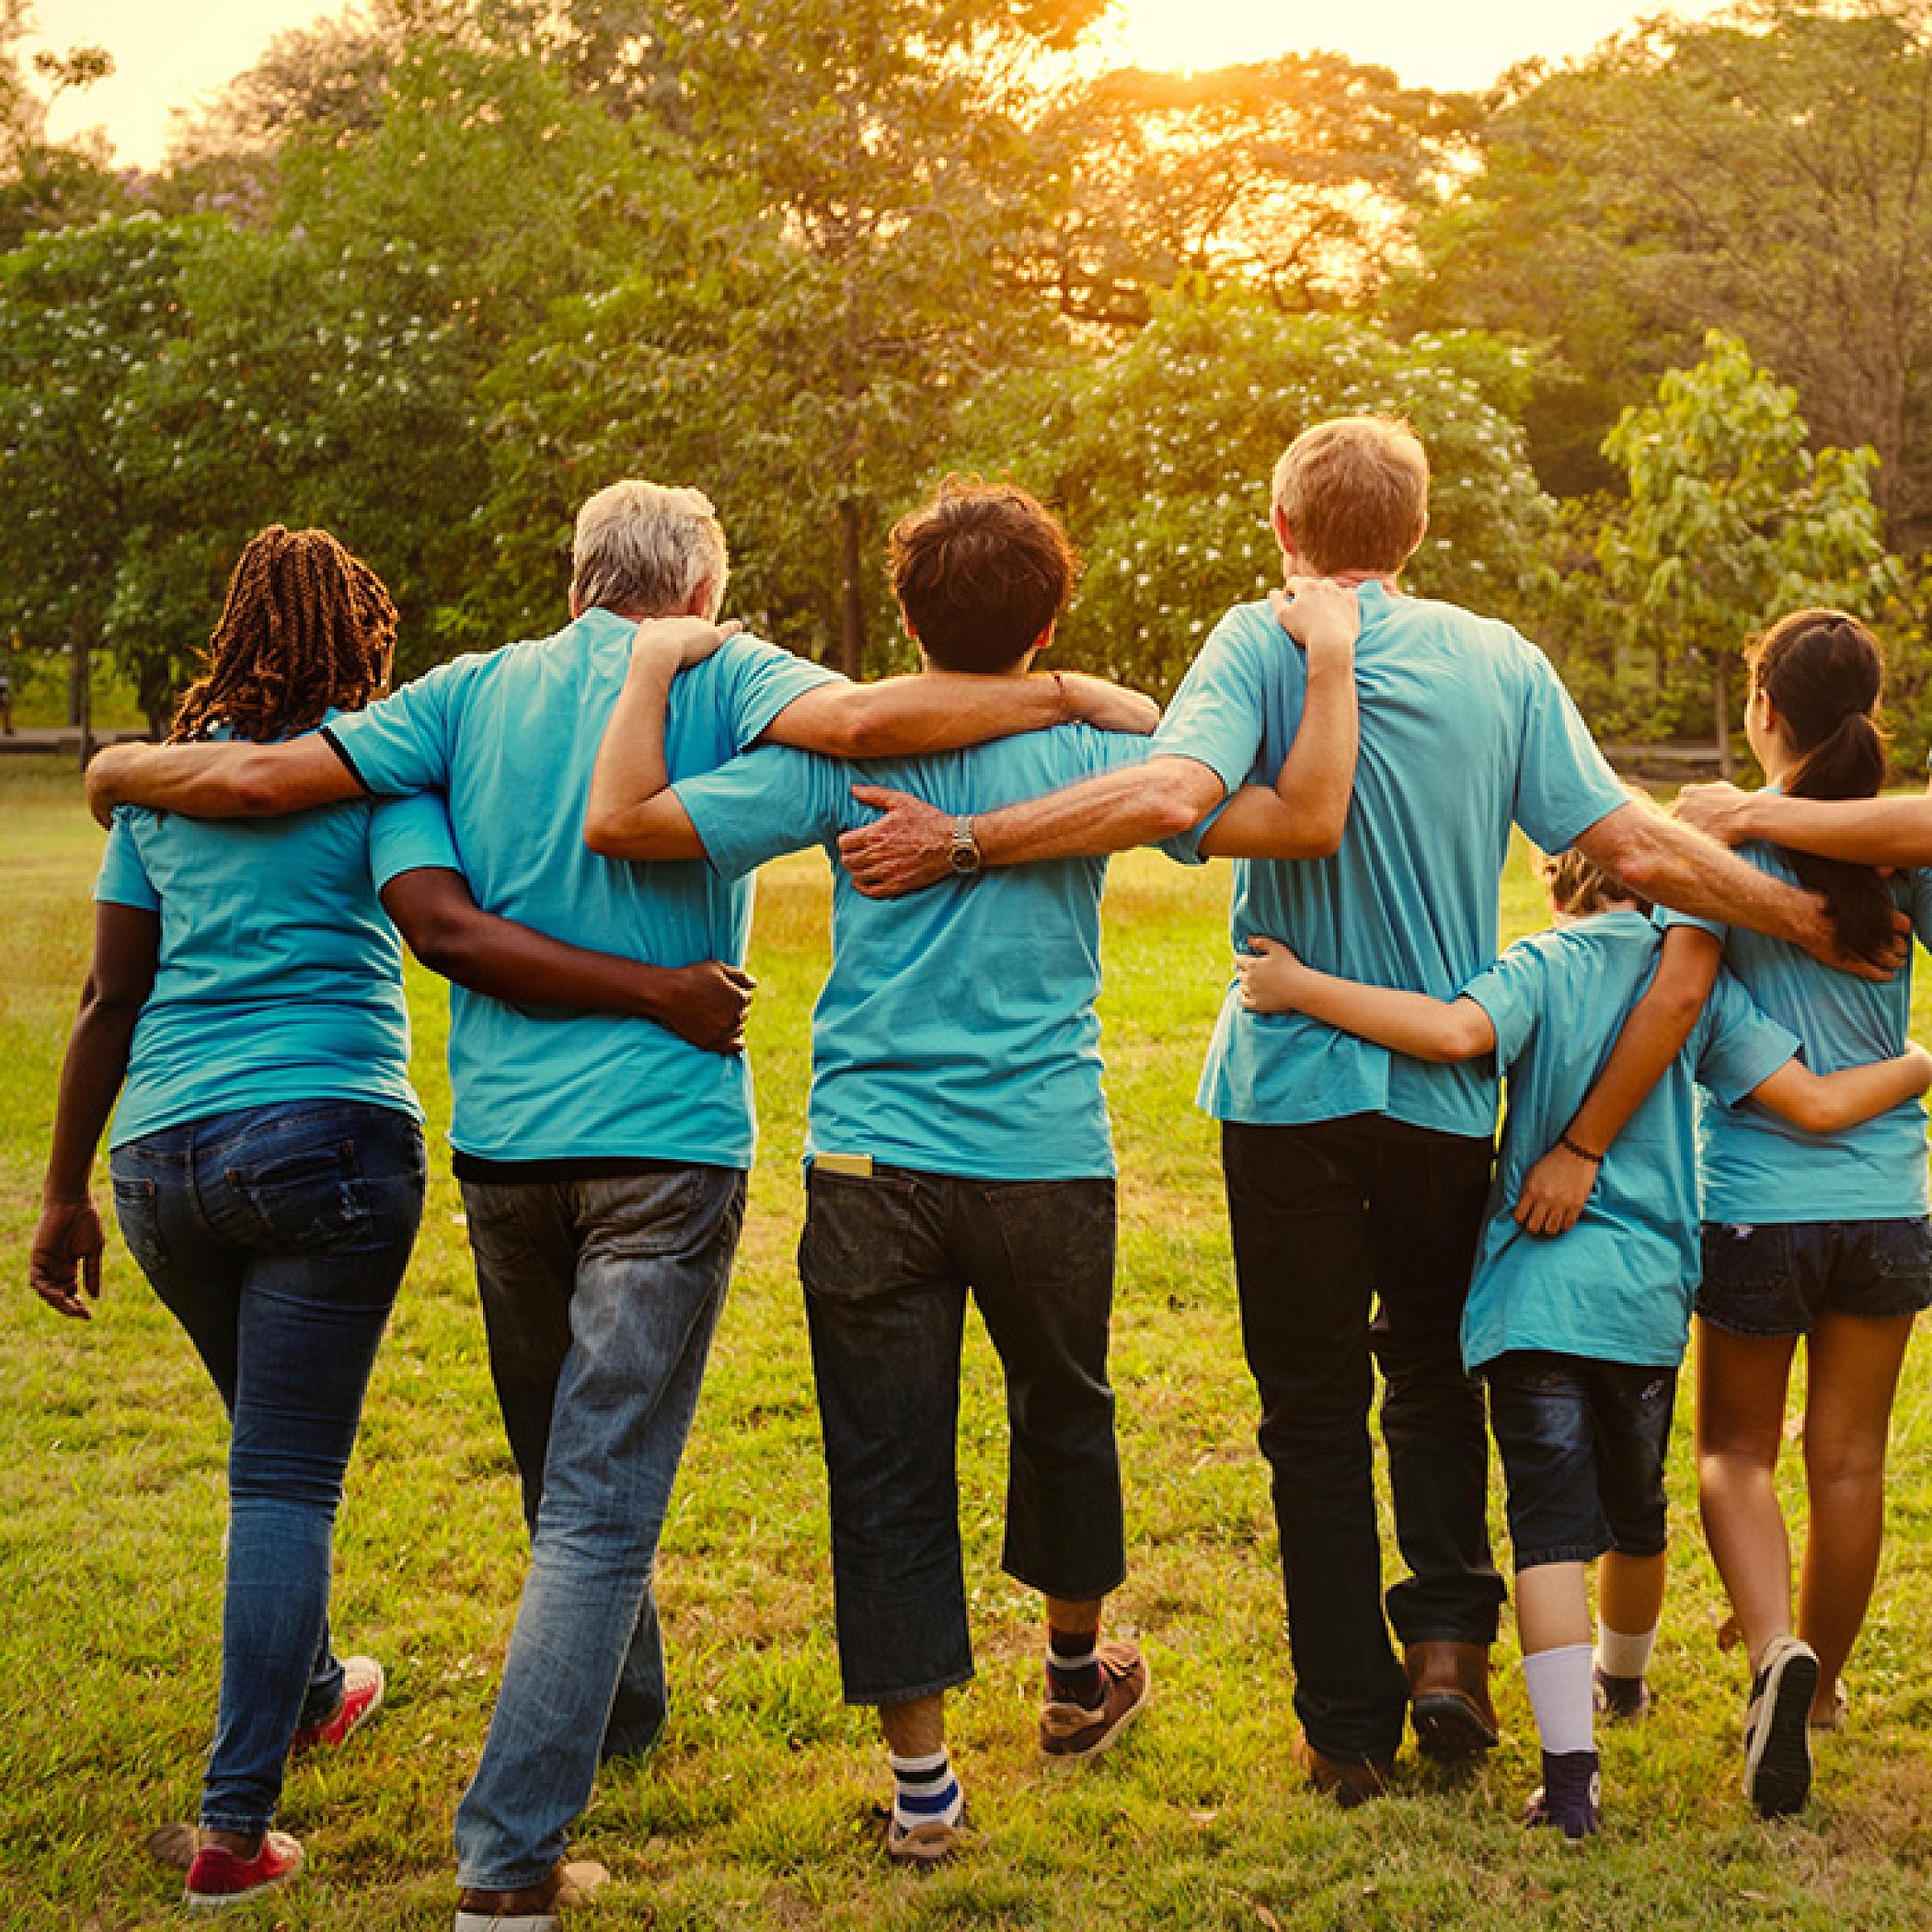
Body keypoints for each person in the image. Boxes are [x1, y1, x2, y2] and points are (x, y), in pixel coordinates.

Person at [83, 480, 1159, 1930]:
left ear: (577, 577)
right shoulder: (728, 671)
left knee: (558, 1478)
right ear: (701, 593)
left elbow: (272, 790)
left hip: (505, 1148)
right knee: (598, 1511)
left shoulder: (464, 695)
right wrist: (1074, 693)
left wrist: (123, 771)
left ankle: (627, 1710)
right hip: (664, 1137)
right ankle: (509, 1862)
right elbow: (869, 728)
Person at [834, 416, 1886, 1804]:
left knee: (1313, 1413)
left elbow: (1166, 790)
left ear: (1284, 531)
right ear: (1418, 535)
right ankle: (1450, 1645)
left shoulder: (1259, 640)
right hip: (1447, 1088)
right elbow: (1626, 843)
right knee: (1438, 1382)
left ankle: (1344, 1726)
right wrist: (1803, 920)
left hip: (1288, 1090)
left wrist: (963, 838)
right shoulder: (1498, 660)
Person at [580, 477, 1359, 1860]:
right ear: (1052, 610)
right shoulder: (1102, 752)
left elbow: (632, 820)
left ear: (904, 615)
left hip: (870, 1158)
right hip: (1045, 1150)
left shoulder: (845, 755)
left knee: (886, 1460)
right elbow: (1269, 808)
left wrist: (649, 681)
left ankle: (925, 1789)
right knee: (1067, 1412)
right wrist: (1114, 700)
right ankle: (1072, 1680)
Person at [31, 525, 756, 1913]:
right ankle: (234, 1825)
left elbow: (108, 995)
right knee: (287, 1480)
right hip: (328, 1145)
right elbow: (442, 925)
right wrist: (656, 988)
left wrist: (65, 1191)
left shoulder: (167, 794)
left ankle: (313, 1688)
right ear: (361, 639)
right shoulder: (387, 762)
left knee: (269, 1456)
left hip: (164, 1161)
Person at [1234, 820, 1932, 1839]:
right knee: (1634, 1517)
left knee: (1550, 1535)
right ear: (1655, 889)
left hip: (1532, 1301)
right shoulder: (1692, 981)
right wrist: (1917, 1061)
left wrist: (1300, 990)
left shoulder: (1540, 964)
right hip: (1644, 1304)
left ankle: (1572, 1783)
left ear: (1556, 884)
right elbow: (1812, 1101)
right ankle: (1626, 1680)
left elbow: (1451, 1035)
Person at [1654, 613, 1932, 1816]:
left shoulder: (1731, 853)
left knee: (1733, 1454)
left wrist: (1745, 817)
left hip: (1762, 1206)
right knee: (1851, 1462)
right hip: (1886, 1209)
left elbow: (1678, 989)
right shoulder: (1893, 859)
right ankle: (1816, 1700)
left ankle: (1777, 1652)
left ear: (1764, 705)